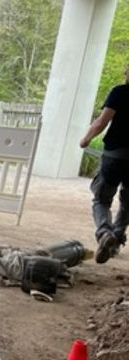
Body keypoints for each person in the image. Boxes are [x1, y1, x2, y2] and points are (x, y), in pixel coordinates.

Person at [80, 65, 129, 264]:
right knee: (128, 202)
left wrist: (86, 138)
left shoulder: (119, 92)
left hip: (114, 156)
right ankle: (116, 239)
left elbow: (102, 122)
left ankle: (104, 232)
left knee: (101, 199)